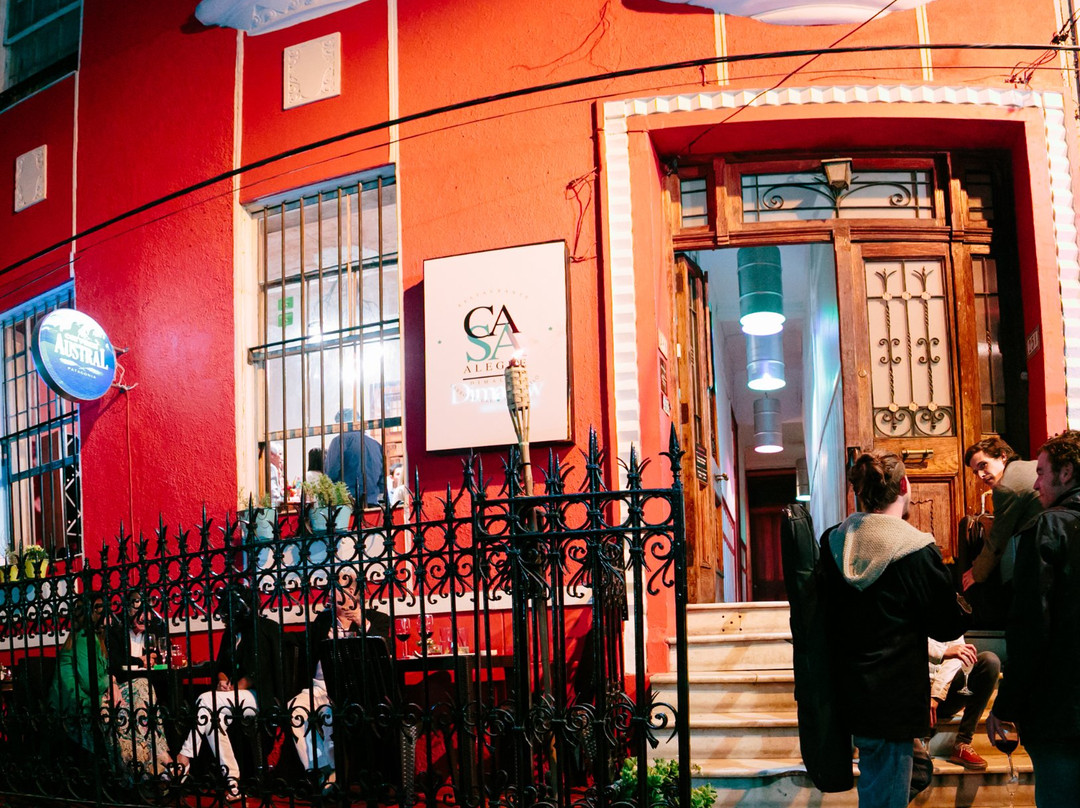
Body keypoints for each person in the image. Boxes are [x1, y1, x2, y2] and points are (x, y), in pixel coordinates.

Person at [822, 449, 967, 807]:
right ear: (904, 486)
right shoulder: (915, 549)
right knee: (886, 798)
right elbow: (946, 625)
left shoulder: (832, 542)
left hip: (849, 688)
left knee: (882, 786)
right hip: (896, 695)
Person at [988, 430, 1080, 806]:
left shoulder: (1047, 528)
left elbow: (1031, 627)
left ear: (1066, 472)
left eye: (1041, 472)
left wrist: (1006, 705)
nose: (1036, 483)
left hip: (1062, 710)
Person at [176, 584, 282, 798]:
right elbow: (221, 667)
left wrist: (233, 688)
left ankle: (184, 757)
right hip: (233, 696)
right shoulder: (231, 633)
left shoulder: (263, 628)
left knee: (205, 700)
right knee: (211, 719)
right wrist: (223, 682)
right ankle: (233, 782)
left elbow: (259, 671)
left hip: (258, 696)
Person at [287, 573, 390, 783]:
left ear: (351, 591)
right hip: (319, 686)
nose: (330, 593)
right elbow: (306, 648)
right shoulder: (323, 620)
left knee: (330, 713)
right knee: (294, 708)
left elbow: (384, 649)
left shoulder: (377, 618)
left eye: (336, 588)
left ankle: (336, 774)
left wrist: (362, 622)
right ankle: (320, 768)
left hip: (352, 689)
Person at [104, 591, 174, 778]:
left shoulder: (157, 626)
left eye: (148, 611)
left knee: (151, 697)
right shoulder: (116, 628)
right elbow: (114, 662)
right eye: (138, 610)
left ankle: (156, 765)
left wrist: (154, 657)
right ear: (127, 610)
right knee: (142, 694)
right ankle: (159, 763)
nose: (144, 616)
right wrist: (140, 661)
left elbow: (164, 651)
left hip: (154, 686)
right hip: (122, 685)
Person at [962, 437, 1042, 591]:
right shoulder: (1028, 465)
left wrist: (976, 573)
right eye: (976, 471)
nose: (981, 475)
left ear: (1003, 456)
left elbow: (998, 539)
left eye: (983, 465)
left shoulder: (1005, 488)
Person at [926, 635, 1000, 770]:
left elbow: (955, 658)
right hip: (912, 694)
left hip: (943, 695)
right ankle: (918, 742)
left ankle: (963, 742)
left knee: (989, 661)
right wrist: (943, 652)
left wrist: (936, 695)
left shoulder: (949, 622)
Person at [325, 409, 385, 507]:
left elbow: (331, 473)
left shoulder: (339, 441)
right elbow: (382, 481)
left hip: (347, 504)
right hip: (371, 503)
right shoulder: (375, 444)